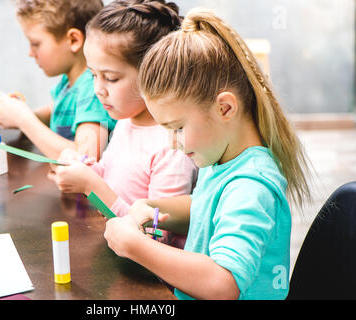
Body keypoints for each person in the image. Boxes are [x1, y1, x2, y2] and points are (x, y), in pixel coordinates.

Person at [103, 7, 312, 299]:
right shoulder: (222, 157)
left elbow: (223, 283)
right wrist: (151, 208)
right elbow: (208, 207)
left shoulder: (251, 185)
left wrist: (135, 246)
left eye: (177, 127)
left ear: (225, 108)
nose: (172, 143)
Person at [47, 0, 197, 247]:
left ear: (154, 75)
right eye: (93, 75)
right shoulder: (126, 120)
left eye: (111, 78)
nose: (98, 90)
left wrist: (91, 186)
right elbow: (111, 174)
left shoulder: (173, 145)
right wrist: (81, 170)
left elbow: (159, 236)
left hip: (149, 280)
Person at [0, 0, 116, 160]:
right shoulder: (70, 82)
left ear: (73, 40)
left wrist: (23, 119)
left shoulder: (93, 90)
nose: (30, 52)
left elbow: (85, 158)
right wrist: (18, 113)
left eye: (35, 43)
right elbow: (55, 110)